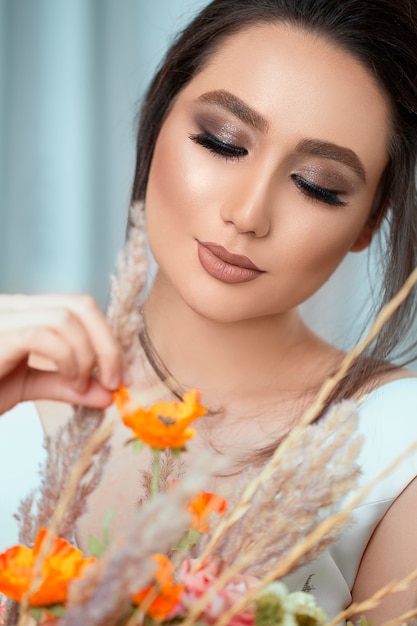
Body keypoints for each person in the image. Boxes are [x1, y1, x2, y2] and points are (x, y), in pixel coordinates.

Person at [2, 0, 417, 622]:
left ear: (368, 221)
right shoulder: (13, 376)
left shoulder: (397, 448)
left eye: (317, 186)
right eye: (222, 143)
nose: (248, 214)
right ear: (157, 119)